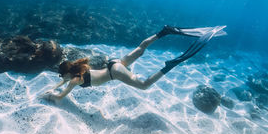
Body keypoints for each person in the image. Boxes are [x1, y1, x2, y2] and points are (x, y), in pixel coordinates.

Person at [42, 25, 226, 102]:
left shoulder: (75, 80)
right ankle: (164, 32)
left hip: (116, 73)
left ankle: (169, 65)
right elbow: (64, 82)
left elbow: (60, 97)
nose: (62, 79)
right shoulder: (77, 69)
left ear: (67, 73)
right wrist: (56, 85)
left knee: (145, 85)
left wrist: (49, 96)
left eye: (62, 76)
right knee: (140, 48)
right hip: (114, 63)